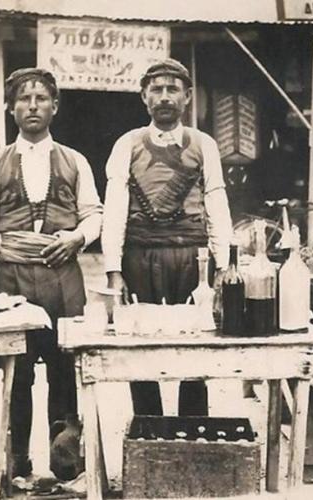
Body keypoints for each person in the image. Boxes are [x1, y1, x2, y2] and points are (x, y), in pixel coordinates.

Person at [0, 68, 103, 479]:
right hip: (12, 278)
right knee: (15, 371)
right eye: (23, 98)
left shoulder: (75, 161)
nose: (32, 106)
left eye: (41, 98)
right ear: (10, 107)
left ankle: (65, 457)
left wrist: (77, 238)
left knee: (64, 367)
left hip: (62, 278)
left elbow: (94, 214)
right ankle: (17, 457)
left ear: (55, 106)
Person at [101, 58, 232, 417]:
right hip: (140, 257)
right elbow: (114, 211)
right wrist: (114, 271)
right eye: (156, 89)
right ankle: (148, 428)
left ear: (187, 96)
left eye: (172, 89)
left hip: (193, 259)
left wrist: (223, 267)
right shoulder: (127, 144)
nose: (164, 97)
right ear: (144, 97)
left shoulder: (204, 144)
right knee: (140, 346)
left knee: (197, 344)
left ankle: (192, 428)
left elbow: (216, 203)